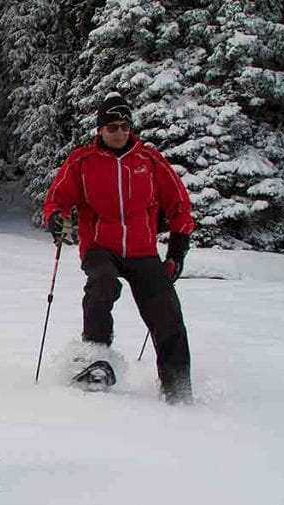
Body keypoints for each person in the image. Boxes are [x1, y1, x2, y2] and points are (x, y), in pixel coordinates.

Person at [42, 92, 194, 403]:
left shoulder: (149, 160)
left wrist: (177, 250)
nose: (120, 132)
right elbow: (57, 198)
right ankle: (96, 360)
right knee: (102, 285)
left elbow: (179, 203)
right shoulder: (82, 161)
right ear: (100, 129)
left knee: (167, 311)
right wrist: (56, 218)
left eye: (125, 126)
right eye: (112, 127)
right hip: (101, 247)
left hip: (142, 251)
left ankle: (177, 387)